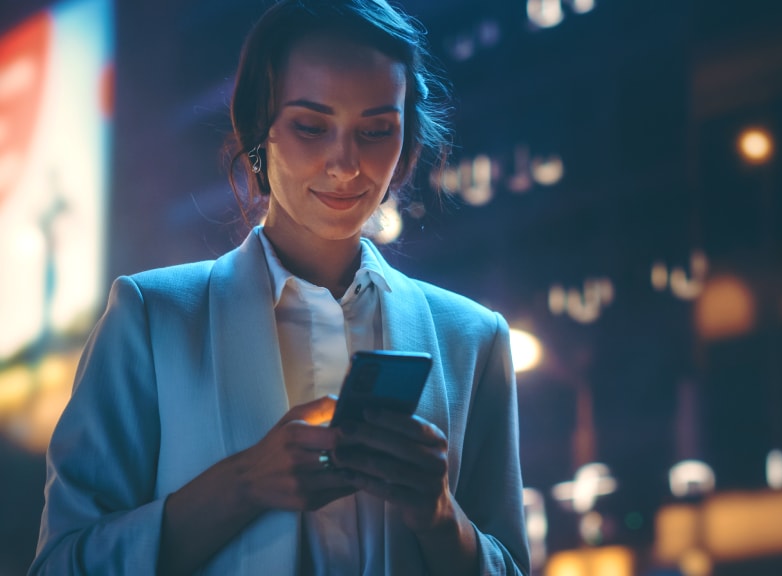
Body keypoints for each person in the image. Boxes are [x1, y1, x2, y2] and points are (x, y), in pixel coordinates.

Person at [30, 1, 529, 574]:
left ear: (406, 143)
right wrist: (244, 484)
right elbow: (59, 565)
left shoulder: (473, 339)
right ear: (256, 132)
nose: (346, 164)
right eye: (311, 126)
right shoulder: (153, 319)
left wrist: (440, 517)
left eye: (375, 131)